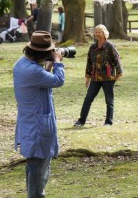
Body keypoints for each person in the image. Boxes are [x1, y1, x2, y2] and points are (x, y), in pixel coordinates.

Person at [13, 31, 65, 198]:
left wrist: (48, 65)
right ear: (42, 53)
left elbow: (41, 81)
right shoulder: (34, 72)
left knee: (34, 170)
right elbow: (58, 81)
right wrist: (57, 62)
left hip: (29, 123)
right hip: (38, 127)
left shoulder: (21, 64)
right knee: (38, 174)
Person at [74, 24, 123, 127]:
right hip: (95, 78)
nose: (96, 34)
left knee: (109, 100)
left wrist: (118, 74)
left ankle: (108, 122)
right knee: (88, 99)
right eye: (95, 32)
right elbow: (89, 63)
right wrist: (87, 78)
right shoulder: (92, 47)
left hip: (108, 78)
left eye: (99, 32)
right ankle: (81, 120)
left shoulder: (110, 46)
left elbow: (117, 60)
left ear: (104, 33)